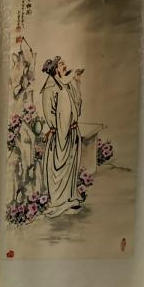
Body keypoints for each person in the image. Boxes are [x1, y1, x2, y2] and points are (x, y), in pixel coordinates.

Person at [40, 55, 84, 217]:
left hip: (71, 131)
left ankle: (70, 198)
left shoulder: (65, 85)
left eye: (65, 64)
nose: (65, 66)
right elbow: (50, 114)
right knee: (59, 167)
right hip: (60, 135)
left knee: (70, 164)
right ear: (55, 69)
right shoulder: (50, 88)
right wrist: (60, 131)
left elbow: (77, 107)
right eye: (61, 64)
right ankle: (59, 202)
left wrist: (76, 82)